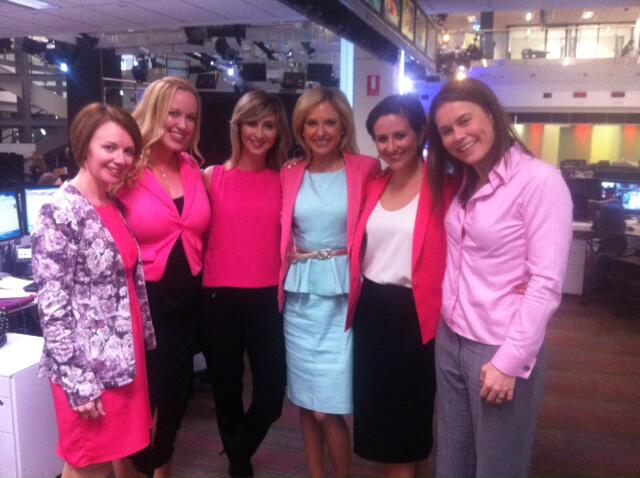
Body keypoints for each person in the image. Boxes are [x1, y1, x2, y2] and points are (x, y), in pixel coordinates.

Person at [426, 78, 573, 478]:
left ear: (491, 116)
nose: (458, 136)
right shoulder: (466, 181)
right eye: (446, 130)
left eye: (465, 121)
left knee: (497, 466)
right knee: (451, 460)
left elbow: (546, 283)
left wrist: (509, 362)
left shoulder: (540, 181)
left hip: (498, 346)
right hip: (451, 337)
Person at [31, 103, 155, 478]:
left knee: (113, 457)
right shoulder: (60, 210)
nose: (121, 159)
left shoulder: (110, 203)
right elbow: (53, 310)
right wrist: (79, 382)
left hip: (122, 363)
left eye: (128, 150)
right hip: (88, 368)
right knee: (88, 465)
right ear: (84, 146)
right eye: (110, 147)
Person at [347, 94, 457, 478]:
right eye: (382, 138)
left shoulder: (445, 187)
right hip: (372, 312)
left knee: (409, 421)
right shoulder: (374, 184)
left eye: (400, 135)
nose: (391, 146)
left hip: (417, 316)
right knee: (385, 421)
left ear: (420, 134)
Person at [279, 87, 380, 478]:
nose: (320, 131)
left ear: (343, 127)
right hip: (299, 299)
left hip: (341, 300)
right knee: (306, 404)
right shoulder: (290, 173)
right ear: (301, 129)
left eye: (329, 123)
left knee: (330, 408)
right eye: (312, 123)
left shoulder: (365, 169)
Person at [117, 77, 211, 478]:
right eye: (174, 113)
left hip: (188, 308)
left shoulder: (192, 168)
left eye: (190, 117)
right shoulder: (126, 169)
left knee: (175, 400)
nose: (183, 124)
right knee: (139, 410)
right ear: (154, 112)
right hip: (143, 310)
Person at [199, 90, 291, 477]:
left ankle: (237, 451)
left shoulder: (285, 180)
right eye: (252, 123)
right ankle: (240, 467)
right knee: (226, 390)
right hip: (218, 297)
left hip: (267, 298)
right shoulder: (211, 177)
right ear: (237, 126)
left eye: (268, 125)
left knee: (271, 395)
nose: (259, 133)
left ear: (278, 132)